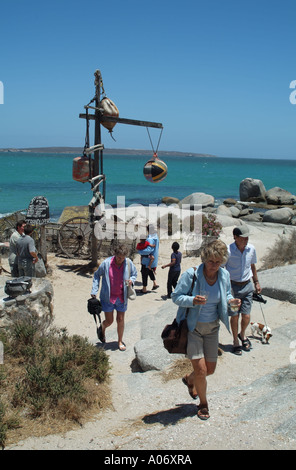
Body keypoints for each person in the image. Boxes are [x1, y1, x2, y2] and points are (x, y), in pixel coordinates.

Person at [171, 239, 241, 420]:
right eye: (211, 261)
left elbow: (226, 296)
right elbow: (176, 296)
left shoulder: (224, 275)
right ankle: (203, 404)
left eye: (218, 262)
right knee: (202, 370)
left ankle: (189, 379)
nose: (214, 266)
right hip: (193, 329)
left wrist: (233, 303)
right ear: (204, 258)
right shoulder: (191, 275)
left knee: (210, 370)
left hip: (212, 329)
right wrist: (192, 300)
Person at [90, 244, 137, 351]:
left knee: (120, 319)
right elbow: (97, 275)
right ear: (115, 254)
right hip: (108, 298)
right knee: (109, 321)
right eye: (119, 257)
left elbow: (134, 274)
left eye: (123, 258)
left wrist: (132, 280)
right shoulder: (106, 264)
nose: (121, 260)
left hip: (121, 297)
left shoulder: (128, 263)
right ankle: (102, 327)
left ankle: (120, 341)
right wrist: (94, 290)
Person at [225, 225, 261, 355]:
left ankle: (242, 334)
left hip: (247, 287)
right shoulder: (228, 251)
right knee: (234, 316)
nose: (246, 240)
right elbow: (222, 270)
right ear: (235, 237)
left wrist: (256, 282)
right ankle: (235, 340)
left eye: (247, 238)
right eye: (243, 238)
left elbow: (252, 266)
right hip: (233, 289)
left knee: (246, 315)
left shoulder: (251, 249)